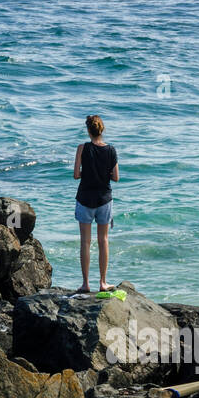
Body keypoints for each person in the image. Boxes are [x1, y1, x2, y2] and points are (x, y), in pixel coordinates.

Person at [73, 114, 119, 293]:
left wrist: (89, 173)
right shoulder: (111, 150)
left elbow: (76, 175)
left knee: (85, 242)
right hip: (104, 200)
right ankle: (103, 282)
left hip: (85, 198)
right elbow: (115, 177)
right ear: (102, 130)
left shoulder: (82, 148)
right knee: (103, 241)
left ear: (88, 130)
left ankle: (85, 284)